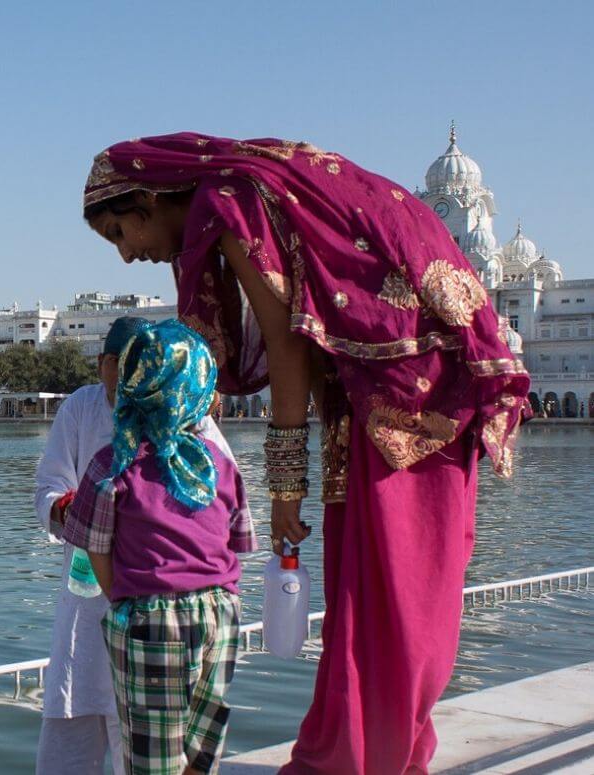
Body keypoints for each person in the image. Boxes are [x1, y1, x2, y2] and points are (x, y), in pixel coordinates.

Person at [83, 133, 530, 774]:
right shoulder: (247, 190)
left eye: (120, 233)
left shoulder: (229, 201)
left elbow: (288, 348)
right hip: (399, 390)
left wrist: (285, 487)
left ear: (150, 200)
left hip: (404, 393)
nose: (129, 255)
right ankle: (373, 753)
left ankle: (358, 758)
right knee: (390, 592)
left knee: (397, 596)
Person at [34, 316, 246, 775]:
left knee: (159, 747)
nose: (124, 375)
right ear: (102, 364)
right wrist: (66, 510)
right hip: (110, 603)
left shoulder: (187, 423)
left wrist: (130, 594)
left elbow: (226, 516)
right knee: (81, 726)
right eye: (117, 363)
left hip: (142, 613)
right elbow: (50, 486)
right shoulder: (81, 408)